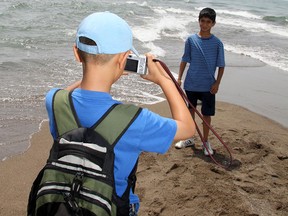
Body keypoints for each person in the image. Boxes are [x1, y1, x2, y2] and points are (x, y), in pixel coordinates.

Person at [45, 12, 195, 215]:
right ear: (124, 59)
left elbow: (66, 94)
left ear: (76, 53)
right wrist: (164, 80)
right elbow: (187, 128)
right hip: (113, 206)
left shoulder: (54, 101)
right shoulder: (135, 120)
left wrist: (105, 69)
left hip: (63, 201)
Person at [174, 8, 225, 156]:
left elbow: (221, 65)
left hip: (208, 85)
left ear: (213, 24)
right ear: (199, 21)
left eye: (208, 22)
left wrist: (217, 83)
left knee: (206, 115)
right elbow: (185, 59)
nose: (205, 24)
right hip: (191, 84)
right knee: (190, 112)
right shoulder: (191, 40)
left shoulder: (217, 43)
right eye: (202, 21)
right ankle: (189, 138)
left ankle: (205, 141)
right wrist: (179, 77)